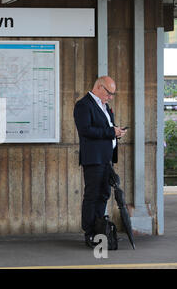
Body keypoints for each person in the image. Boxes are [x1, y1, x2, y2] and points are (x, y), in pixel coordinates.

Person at [73, 76, 126, 248]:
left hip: (106, 158)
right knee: (92, 195)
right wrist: (111, 132)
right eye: (109, 93)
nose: (110, 97)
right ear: (99, 87)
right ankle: (89, 232)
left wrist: (117, 131)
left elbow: (106, 127)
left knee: (104, 194)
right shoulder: (84, 105)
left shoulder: (105, 106)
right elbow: (86, 130)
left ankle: (99, 231)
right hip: (93, 159)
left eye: (112, 94)